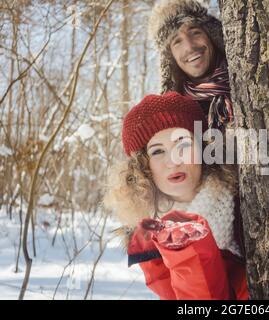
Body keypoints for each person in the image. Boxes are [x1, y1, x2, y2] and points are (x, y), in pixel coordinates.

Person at [104, 92, 248, 300]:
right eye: (157, 152)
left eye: (183, 144)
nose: (173, 161)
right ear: (142, 168)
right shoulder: (149, 240)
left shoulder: (244, 202)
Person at [149, 0, 234, 131]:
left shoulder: (246, 80)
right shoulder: (176, 118)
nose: (189, 46)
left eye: (195, 32)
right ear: (170, 58)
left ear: (211, 35)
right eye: (177, 41)